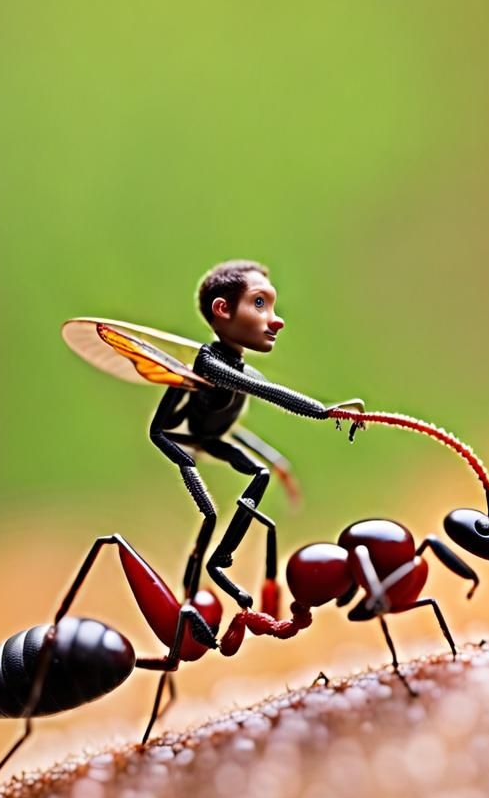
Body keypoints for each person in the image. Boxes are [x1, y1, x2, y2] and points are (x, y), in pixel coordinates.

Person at [150, 259, 356, 608]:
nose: (276, 320)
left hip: (216, 435)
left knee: (260, 473)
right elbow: (264, 391)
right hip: (188, 437)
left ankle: (217, 562)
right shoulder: (208, 364)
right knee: (210, 514)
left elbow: (259, 392)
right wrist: (325, 412)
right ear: (222, 310)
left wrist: (278, 461)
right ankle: (203, 577)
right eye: (260, 303)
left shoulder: (238, 366)